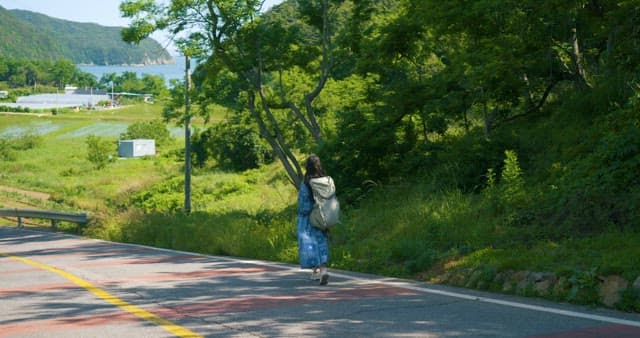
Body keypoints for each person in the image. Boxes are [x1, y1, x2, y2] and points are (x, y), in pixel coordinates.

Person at [297, 154, 330, 285]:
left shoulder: (306, 182)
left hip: (309, 218)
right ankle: (322, 271)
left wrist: (302, 213)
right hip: (323, 216)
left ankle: (315, 271)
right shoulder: (324, 180)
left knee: (309, 244)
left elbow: (304, 205)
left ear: (307, 166)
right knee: (321, 242)